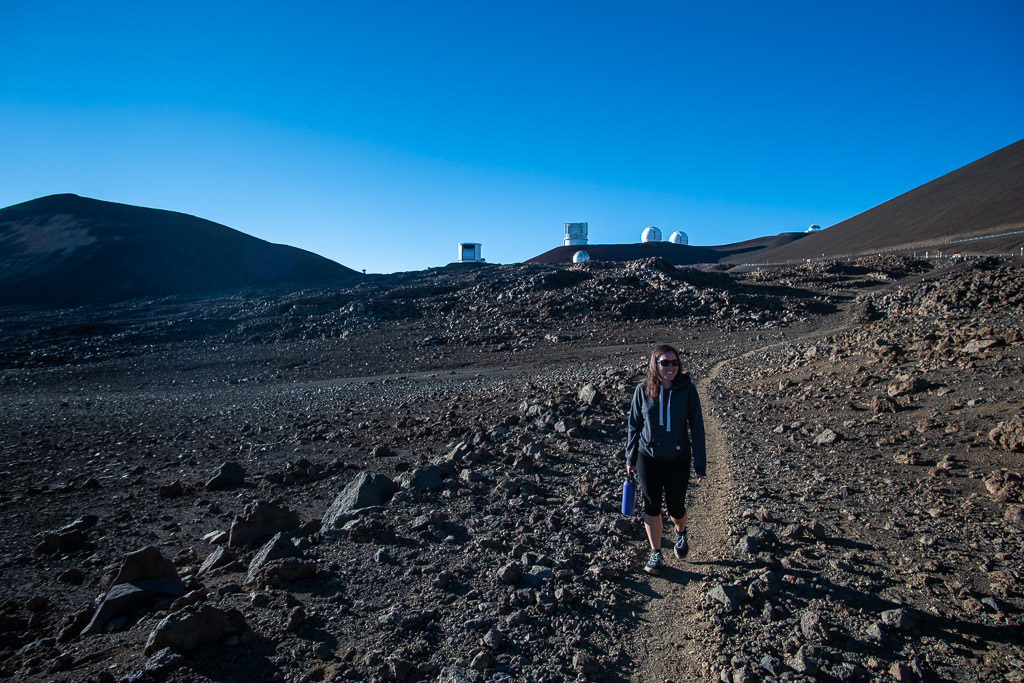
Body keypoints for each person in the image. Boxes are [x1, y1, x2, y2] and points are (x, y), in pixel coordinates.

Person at [625, 343, 706, 575]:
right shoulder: (643, 390)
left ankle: (680, 532)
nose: (670, 367)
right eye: (664, 363)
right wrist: (630, 457)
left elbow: (697, 427)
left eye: (674, 363)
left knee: (676, 507)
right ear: (655, 365)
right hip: (648, 456)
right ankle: (656, 553)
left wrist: (700, 464)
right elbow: (634, 425)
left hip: (678, 458)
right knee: (651, 505)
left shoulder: (688, 390)